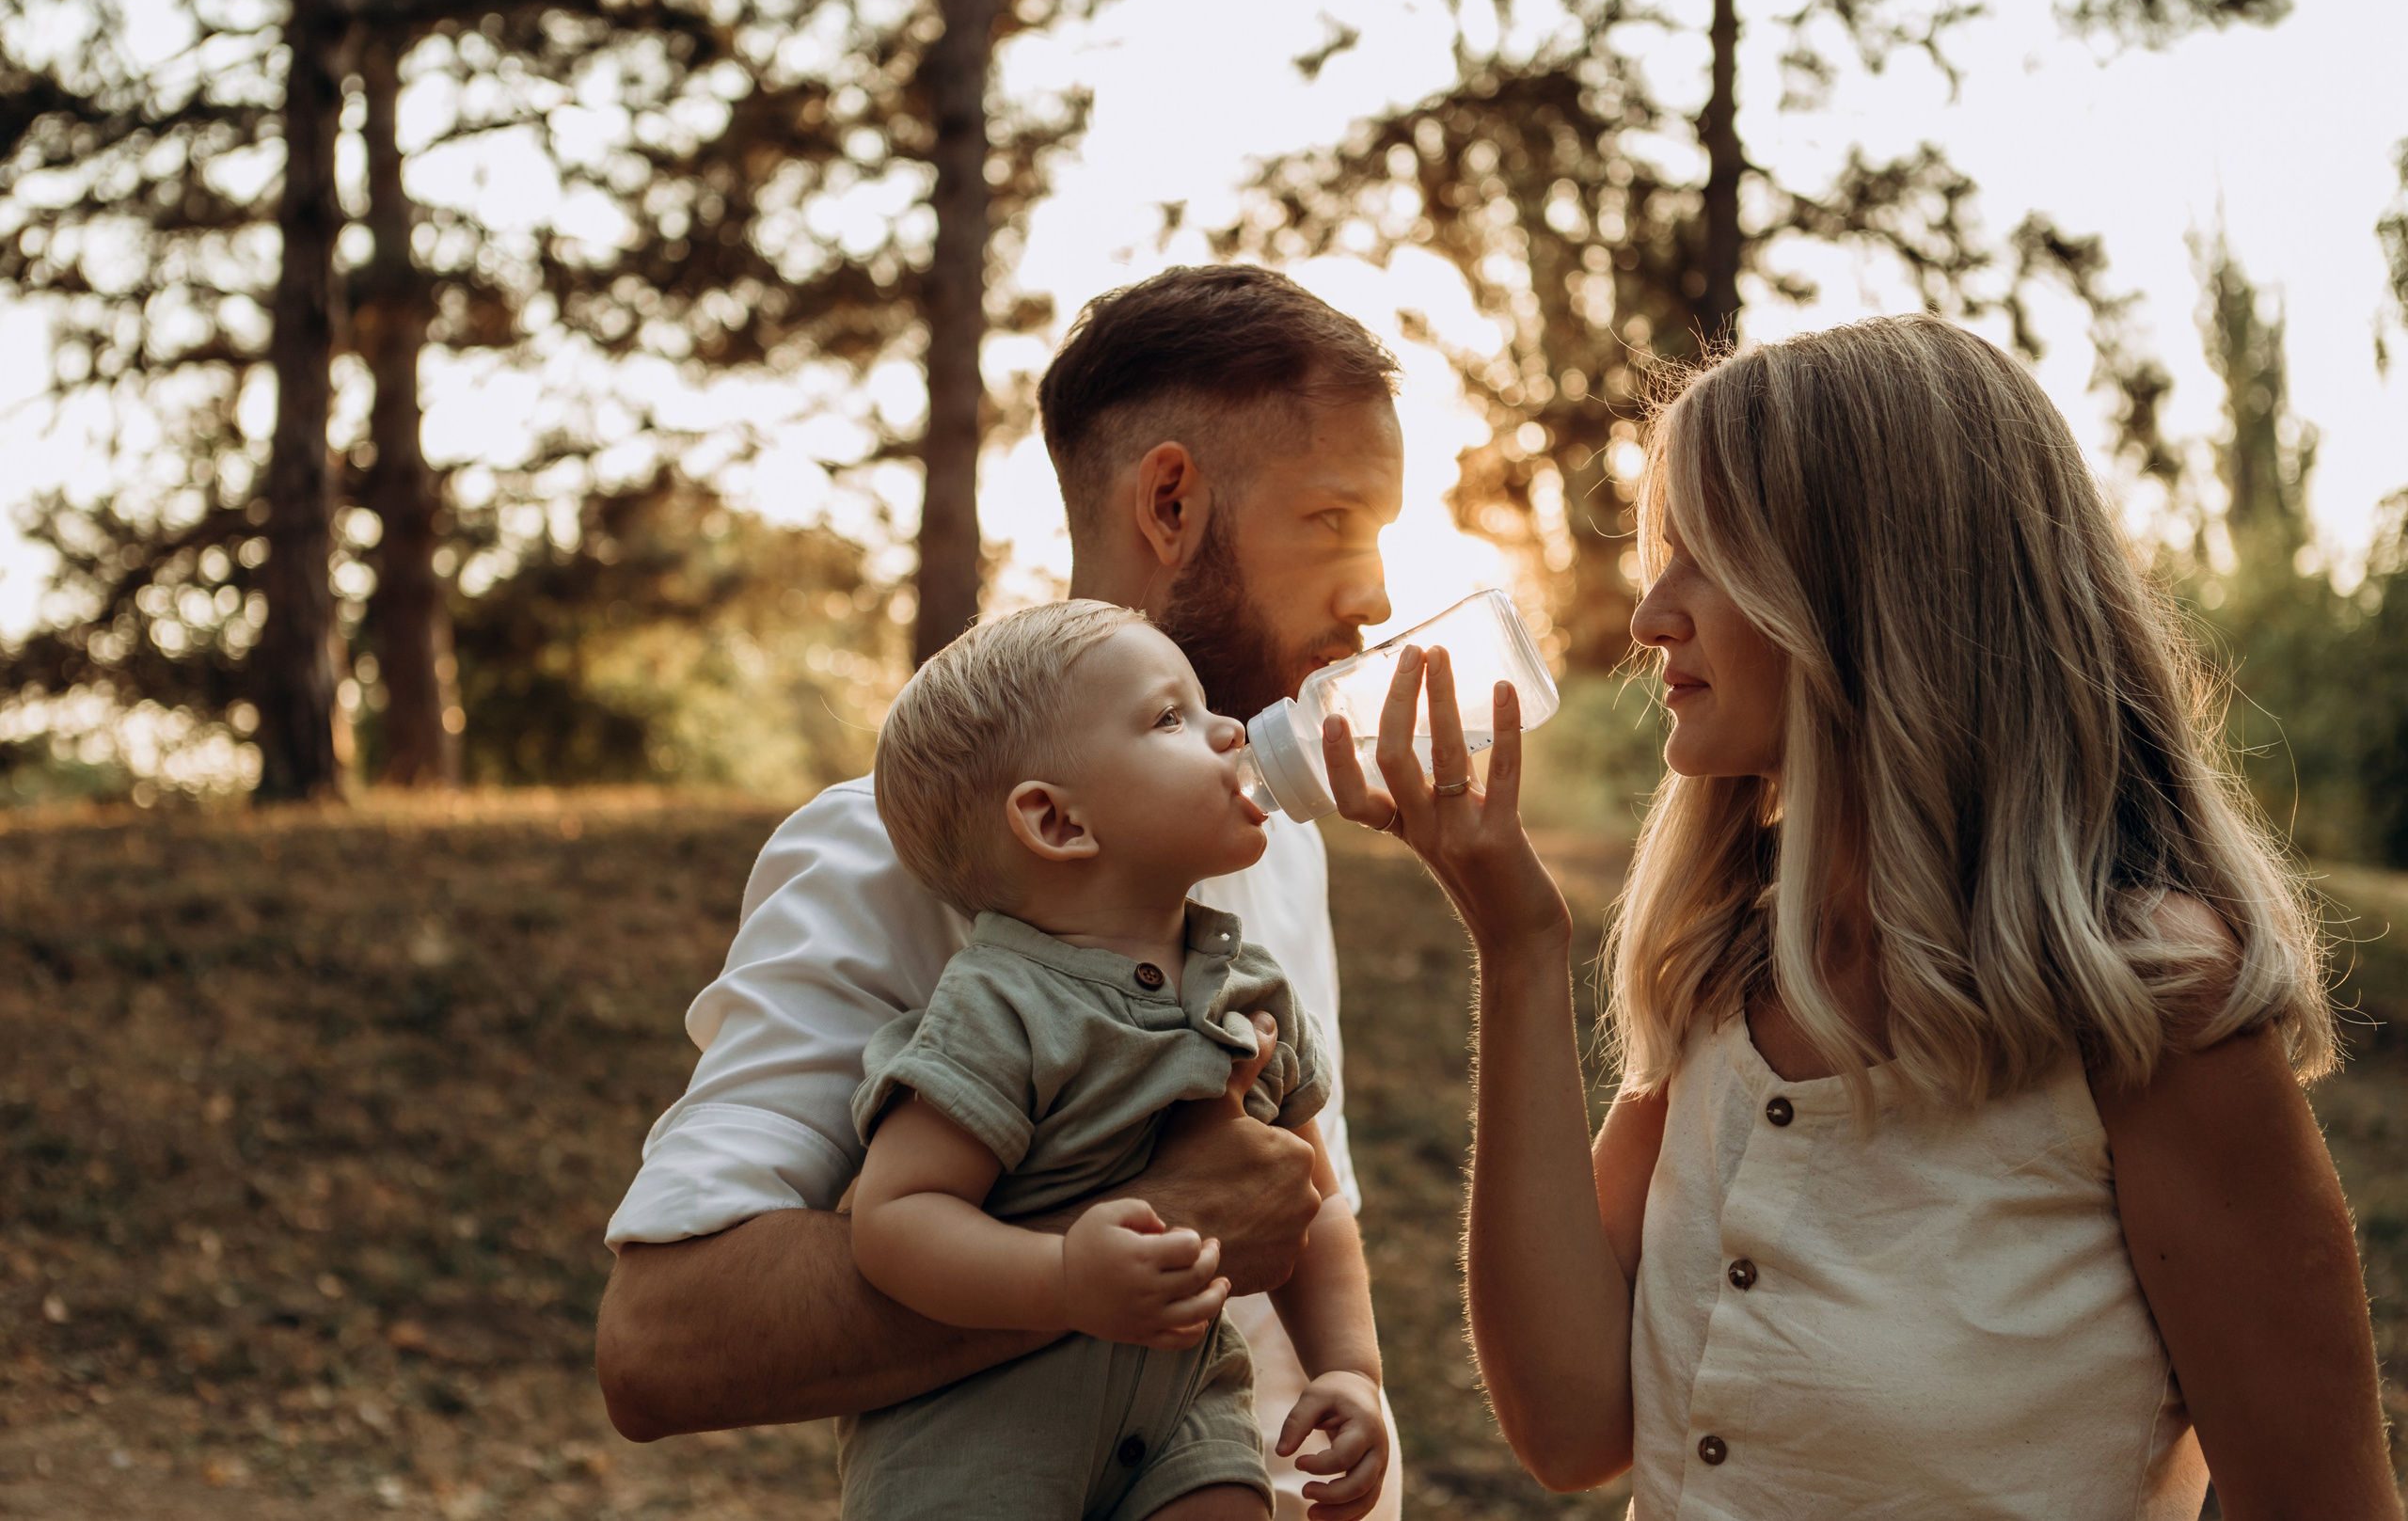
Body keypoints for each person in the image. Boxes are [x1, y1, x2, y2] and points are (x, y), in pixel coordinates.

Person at [1318, 316, 2395, 1516]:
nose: (1648, 617)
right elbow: (1571, 1424)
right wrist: (1516, 946)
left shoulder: (2149, 1005)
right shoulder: (1736, 963)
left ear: (1876, 592)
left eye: (1708, 559)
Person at [595, 264, 1411, 1520]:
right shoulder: (884, 851)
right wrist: (1139, 1227)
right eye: (1333, 519)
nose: (1376, 593)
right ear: (1172, 500)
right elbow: (658, 1342)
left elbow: (1295, 1210)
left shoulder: (1265, 836)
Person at [843, 600, 1386, 1520]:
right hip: (978, 1448)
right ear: (1057, 822)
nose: (1228, 729)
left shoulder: (1251, 992)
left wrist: (1350, 1369)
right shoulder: (1000, 1005)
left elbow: (1311, 1199)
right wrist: (1061, 1278)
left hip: (1181, 1420)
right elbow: (894, 1217)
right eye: (1171, 716)